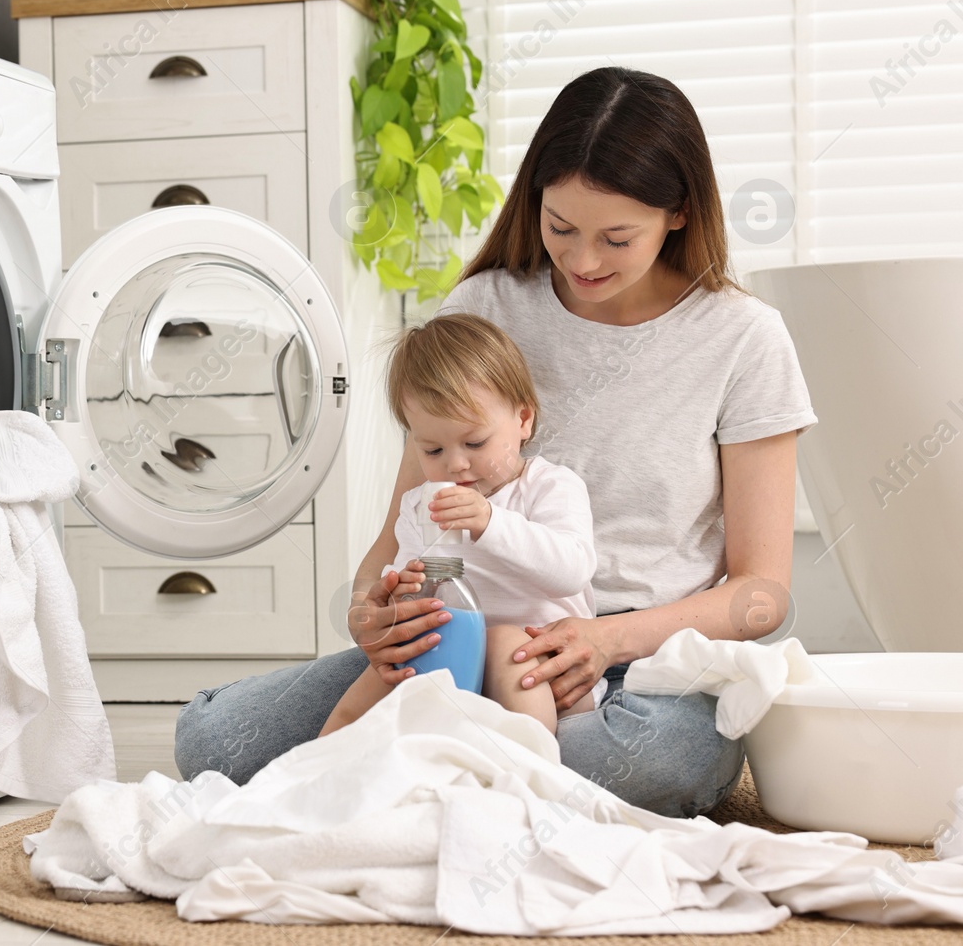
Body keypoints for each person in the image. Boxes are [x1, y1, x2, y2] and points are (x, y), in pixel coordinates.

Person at [173, 66, 818, 817]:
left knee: (650, 766)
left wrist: (604, 640)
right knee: (213, 742)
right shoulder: (485, 307)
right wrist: (369, 614)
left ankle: (429, 762)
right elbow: (399, 531)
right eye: (560, 227)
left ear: (677, 214)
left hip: (638, 668)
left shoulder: (742, 338)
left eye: (616, 237)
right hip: (464, 637)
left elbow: (761, 594)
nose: (581, 261)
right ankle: (469, 760)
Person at [318, 313, 603, 737]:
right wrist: (401, 589)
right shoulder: (419, 505)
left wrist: (491, 523)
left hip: (544, 669)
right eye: (432, 449)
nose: (455, 464)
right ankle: (320, 772)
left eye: (475, 443)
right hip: (454, 656)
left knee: (507, 643)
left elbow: (573, 570)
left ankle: (530, 779)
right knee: (382, 673)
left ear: (523, 420)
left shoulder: (548, 486)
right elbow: (409, 579)